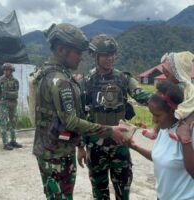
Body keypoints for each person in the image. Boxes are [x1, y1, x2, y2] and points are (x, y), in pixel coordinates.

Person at [32, 23, 130, 200]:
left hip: (51, 149)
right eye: (77, 52)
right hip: (57, 154)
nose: (80, 58)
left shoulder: (47, 73)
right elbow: (71, 121)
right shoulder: (60, 80)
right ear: (61, 49)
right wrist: (110, 130)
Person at [77, 34, 151, 200]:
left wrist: (163, 100)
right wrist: (80, 147)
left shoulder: (123, 78)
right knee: (99, 190)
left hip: (120, 144)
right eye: (105, 55)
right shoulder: (86, 81)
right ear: (94, 56)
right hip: (96, 146)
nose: (109, 59)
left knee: (123, 189)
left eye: (112, 55)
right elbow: (80, 115)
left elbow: (140, 94)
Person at [129, 80, 194, 200]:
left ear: (172, 111)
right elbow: (160, 157)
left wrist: (186, 141)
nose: (154, 120)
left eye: (157, 115)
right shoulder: (164, 129)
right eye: (152, 114)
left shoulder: (188, 131)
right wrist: (134, 146)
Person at [142, 51, 194, 140]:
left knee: (189, 116)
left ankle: (181, 134)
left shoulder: (186, 88)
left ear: (178, 73)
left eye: (168, 74)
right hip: (169, 121)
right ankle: (155, 131)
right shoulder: (169, 87)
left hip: (185, 116)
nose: (165, 75)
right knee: (161, 112)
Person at [0, 63, 22, 150]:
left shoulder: (15, 81)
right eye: (5, 70)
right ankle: (5, 143)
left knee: (13, 122)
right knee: (4, 123)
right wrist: (0, 100)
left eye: (8, 70)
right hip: (4, 105)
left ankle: (13, 141)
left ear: (11, 71)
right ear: (3, 70)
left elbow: (16, 91)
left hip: (13, 104)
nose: (7, 71)